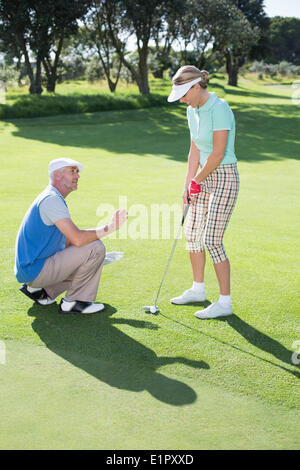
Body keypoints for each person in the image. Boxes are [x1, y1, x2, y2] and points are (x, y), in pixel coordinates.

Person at [167, 66, 239, 319]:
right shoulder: (191, 110)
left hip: (224, 176)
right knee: (193, 233)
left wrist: (197, 179)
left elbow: (218, 153)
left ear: (196, 87)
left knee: (212, 240)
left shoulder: (219, 108)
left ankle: (225, 302)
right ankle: (198, 289)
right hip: (202, 177)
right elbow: (195, 150)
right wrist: (188, 184)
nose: (182, 100)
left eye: (184, 94)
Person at [15, 158, 127, 314]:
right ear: (57, 175)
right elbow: (78, 239)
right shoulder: (52, 200)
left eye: (78, 172)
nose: (78, 176)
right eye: (72, 171)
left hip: (32, 269)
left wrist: (94, 261)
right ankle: (74, 302)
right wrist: (110, 227)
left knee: (93, 250)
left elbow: (68, 241)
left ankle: (42, 291)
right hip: (35, 270)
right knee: (96, 247)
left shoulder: (53, 197)